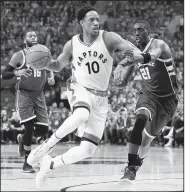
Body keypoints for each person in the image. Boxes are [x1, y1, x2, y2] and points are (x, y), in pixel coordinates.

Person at [27, 5, 145, 187]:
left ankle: (50, 164)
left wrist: (134, 57)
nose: (96, 23)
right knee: (81, 114)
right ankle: (46, 146)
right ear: (82, 23)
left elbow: (131, 49)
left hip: (101, 98)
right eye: (91, 20)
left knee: (87, 150)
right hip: (79, 87)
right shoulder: (72, 44)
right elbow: (57, 65)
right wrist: (42, 64)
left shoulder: (109, 38)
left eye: (98, 19)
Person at [113, 20, 179, 184]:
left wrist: (136, 58)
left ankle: (137, 163)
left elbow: (152, 55)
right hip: (148, 94)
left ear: (148, 31)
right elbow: (124, 80)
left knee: (147, 140)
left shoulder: (159, 44)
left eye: (140, 29)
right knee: (139, 120)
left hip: (168, 101)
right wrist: (120, 76)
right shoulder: (134, 51)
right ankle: (130, 168)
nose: (136, 33)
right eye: (134, 30)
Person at [2, 31, 55, 173]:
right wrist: (16, 73)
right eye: (30, 35)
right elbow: (4, 74)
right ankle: (27, 163)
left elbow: (51, 66)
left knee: (43, 130)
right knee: (30, 127)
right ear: (25, 39)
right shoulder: (19, 55)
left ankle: (22, 138)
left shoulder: (43, 53)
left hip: (39, 94)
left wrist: (51, 76)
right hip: (24, 94)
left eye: (35, 36)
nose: (33, 37)